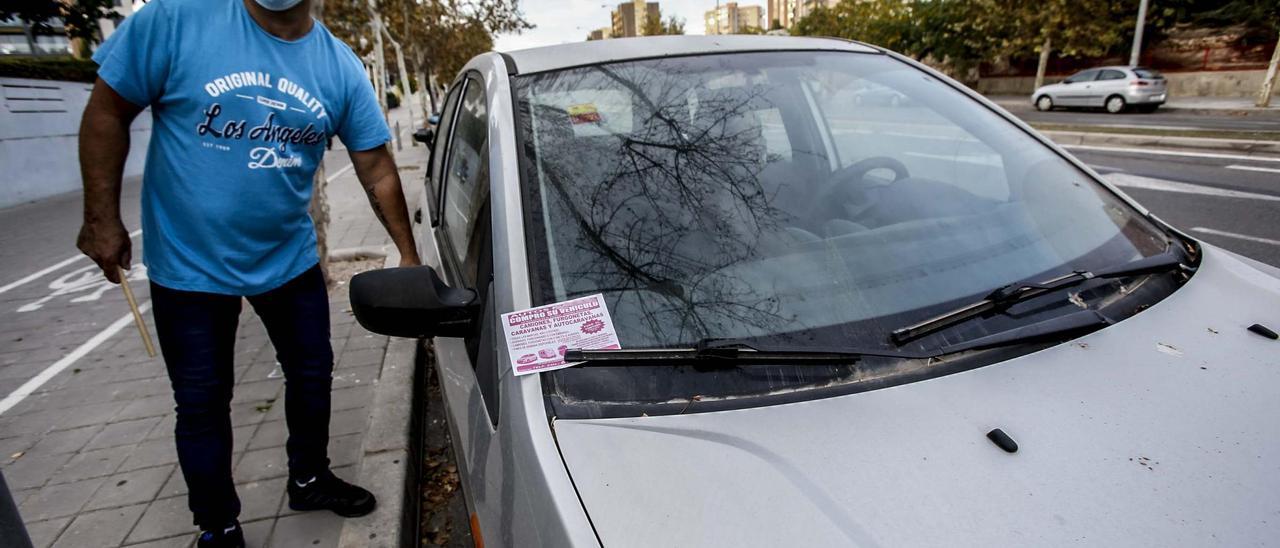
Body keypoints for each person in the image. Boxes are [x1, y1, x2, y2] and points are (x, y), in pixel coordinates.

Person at [76, 0, 420, 546]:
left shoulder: (339, 66)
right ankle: (218, 526)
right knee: (202, 401)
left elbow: (376, 166)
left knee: (312, 374)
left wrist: (407, 254)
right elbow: (106, 111)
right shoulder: (175, 21)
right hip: (188, 266)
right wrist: (101, 216)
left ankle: (309, 478)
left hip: (288, 257)